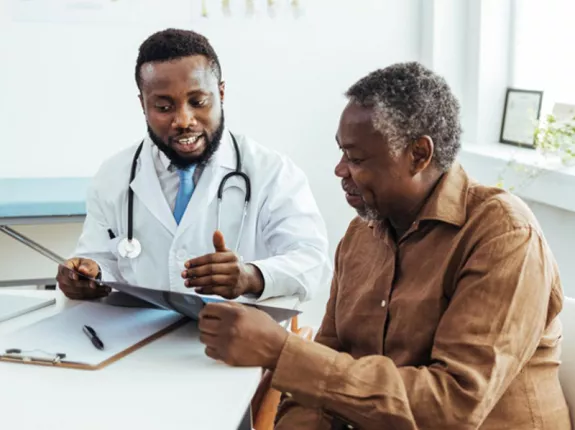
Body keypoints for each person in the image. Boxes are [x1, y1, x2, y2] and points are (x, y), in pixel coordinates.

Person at [197, 62, 571, 429]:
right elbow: (321, 375)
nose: (340, 170)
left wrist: (281, 352)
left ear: (419, 155)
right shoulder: (359, 238)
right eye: (342, 153)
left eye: (356, 158)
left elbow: (454, 407)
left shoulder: (503, 235)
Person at [56, 28, 331, 303]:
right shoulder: (113, 176)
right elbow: (100, 259)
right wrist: (88, 275)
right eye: (164, 107)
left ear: (221, 93)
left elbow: (312, 261)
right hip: (143, 338)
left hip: (241, 339)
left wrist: (250, 276)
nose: (184, 120)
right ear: (143, 104)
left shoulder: (273, 172)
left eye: (198, 102)